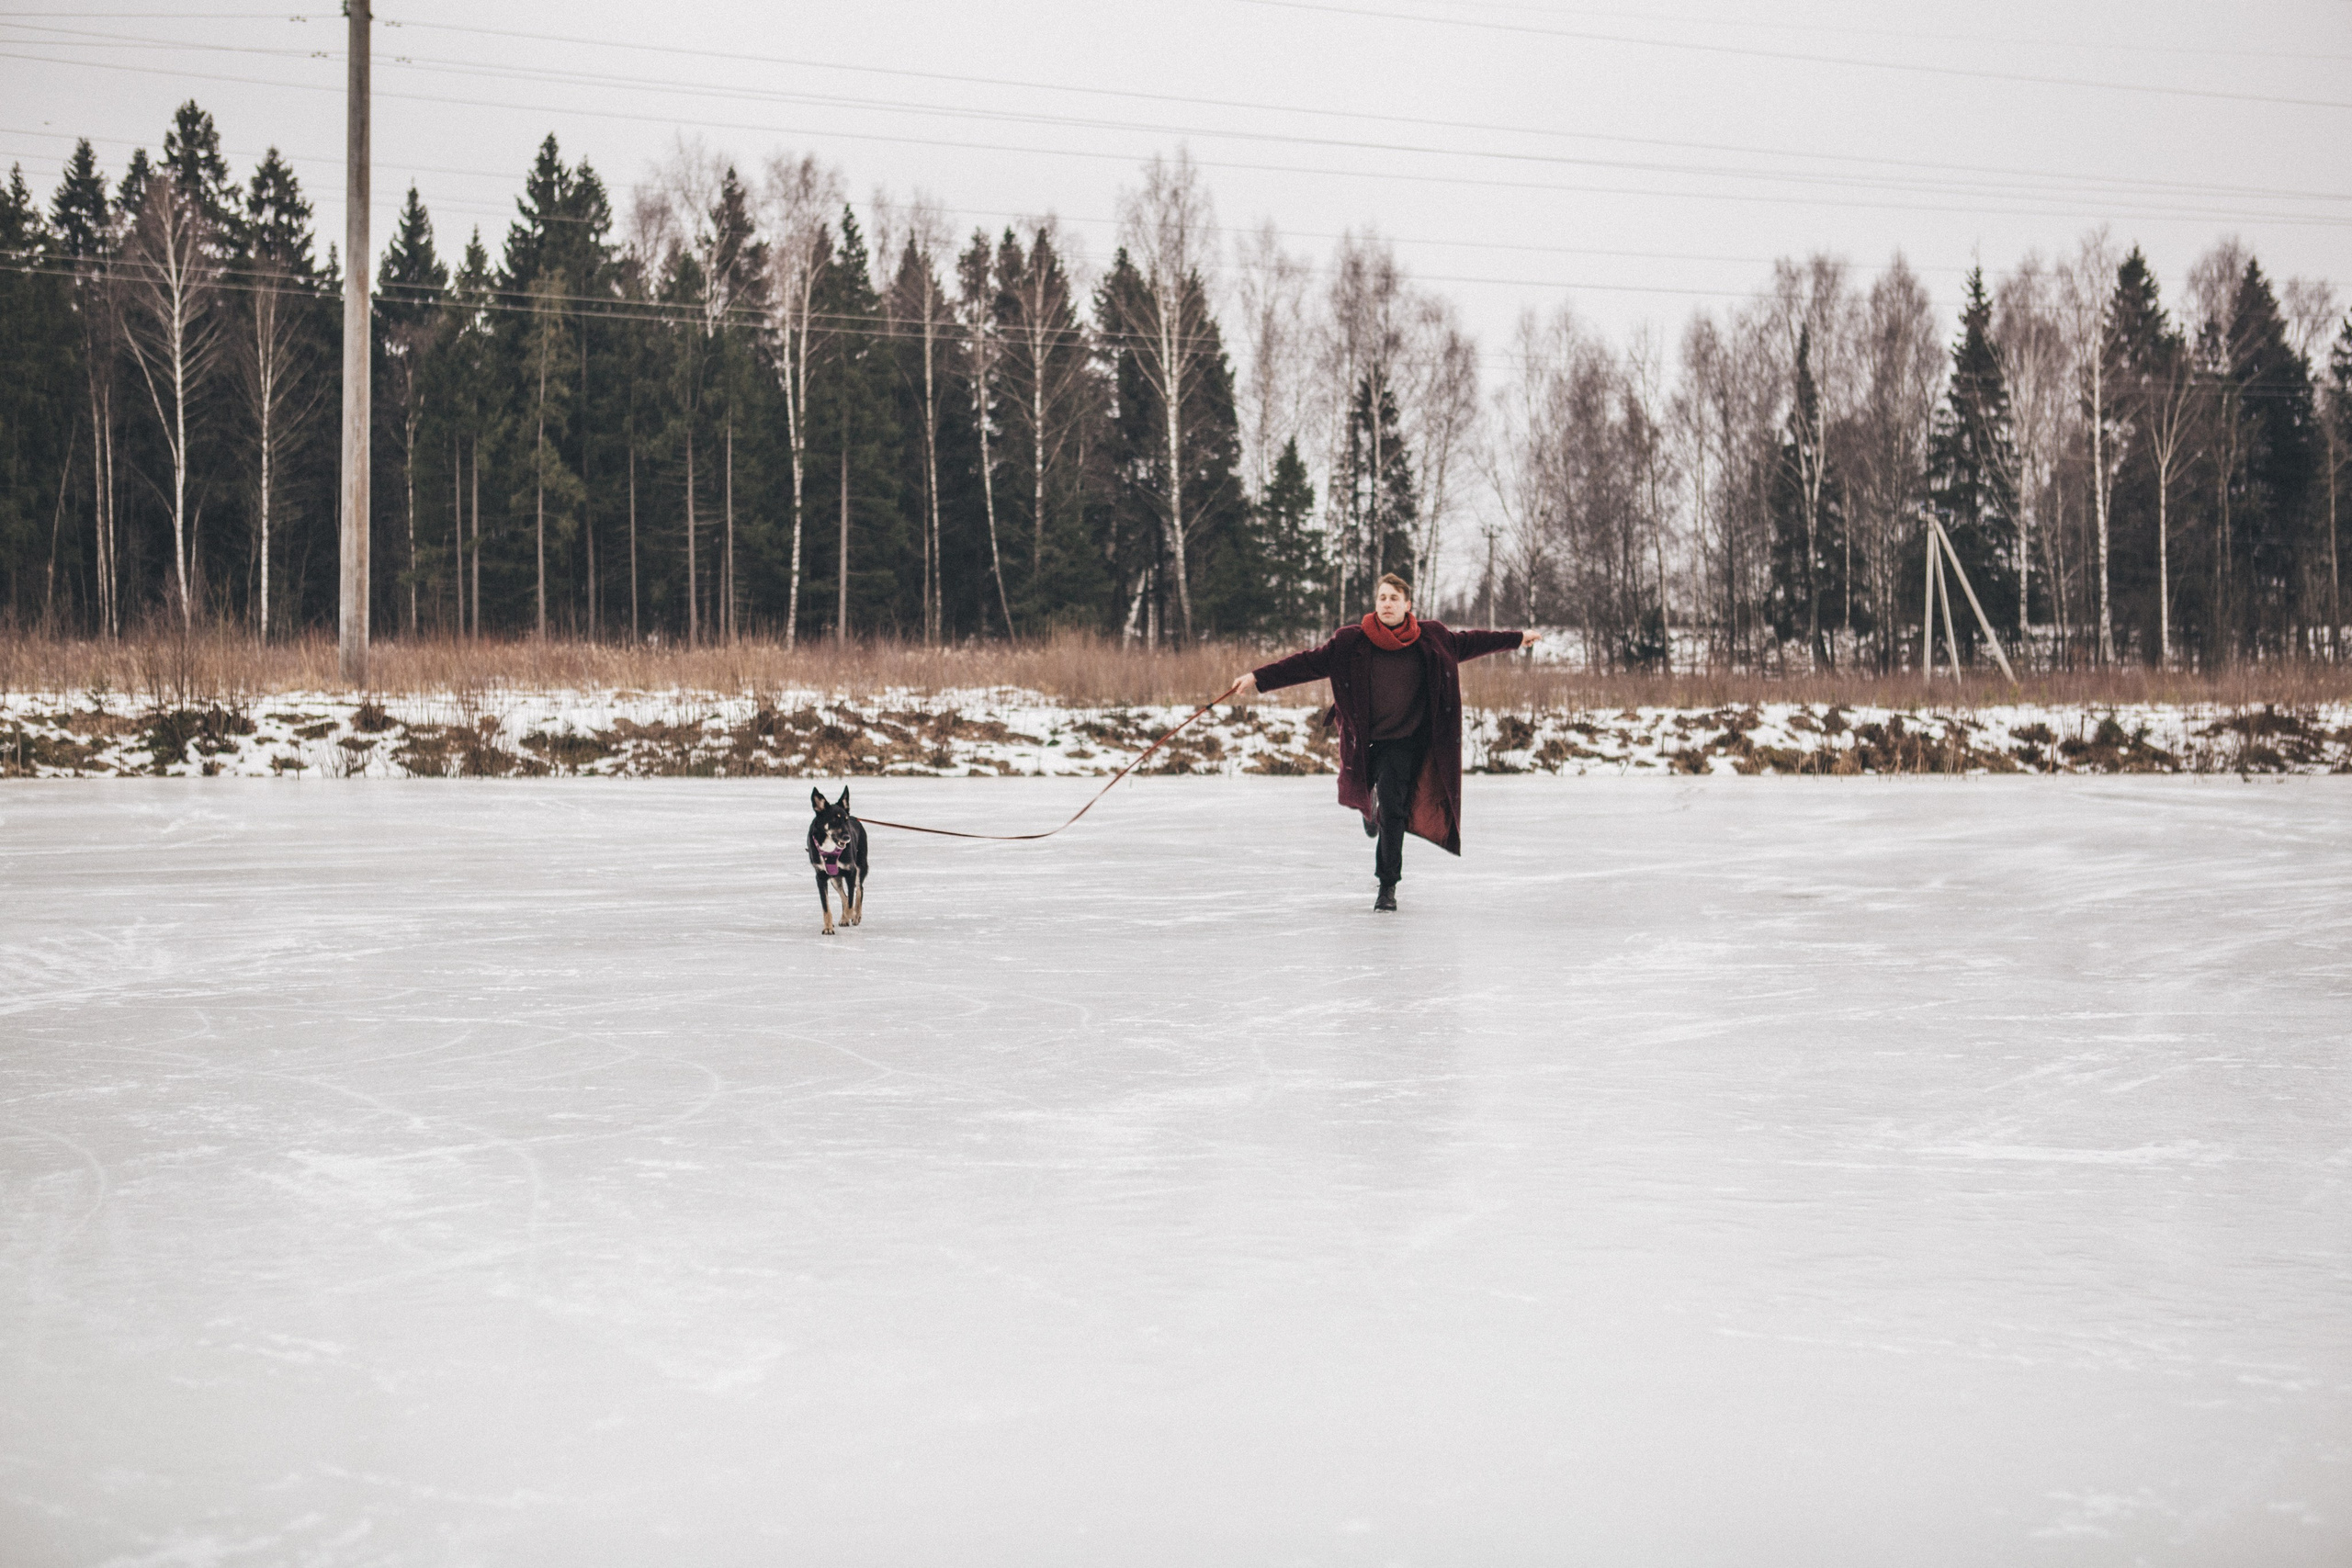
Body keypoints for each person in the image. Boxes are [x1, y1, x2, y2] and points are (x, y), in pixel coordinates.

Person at [1233, 573, 1540, 911]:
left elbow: (1473, 641)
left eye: (1394, 598)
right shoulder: (1351, 642)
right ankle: (1371, 809)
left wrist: (1517, 638)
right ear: (1375, 604)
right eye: (1382, 598)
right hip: (1363, 741)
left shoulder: (1432, 638)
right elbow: (1307, 663)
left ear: (1408, 606)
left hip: (1405, 742)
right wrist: (1257, 678)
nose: (1387, 603)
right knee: (1376, 801)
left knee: (1394, 810)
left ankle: (1387, 886)